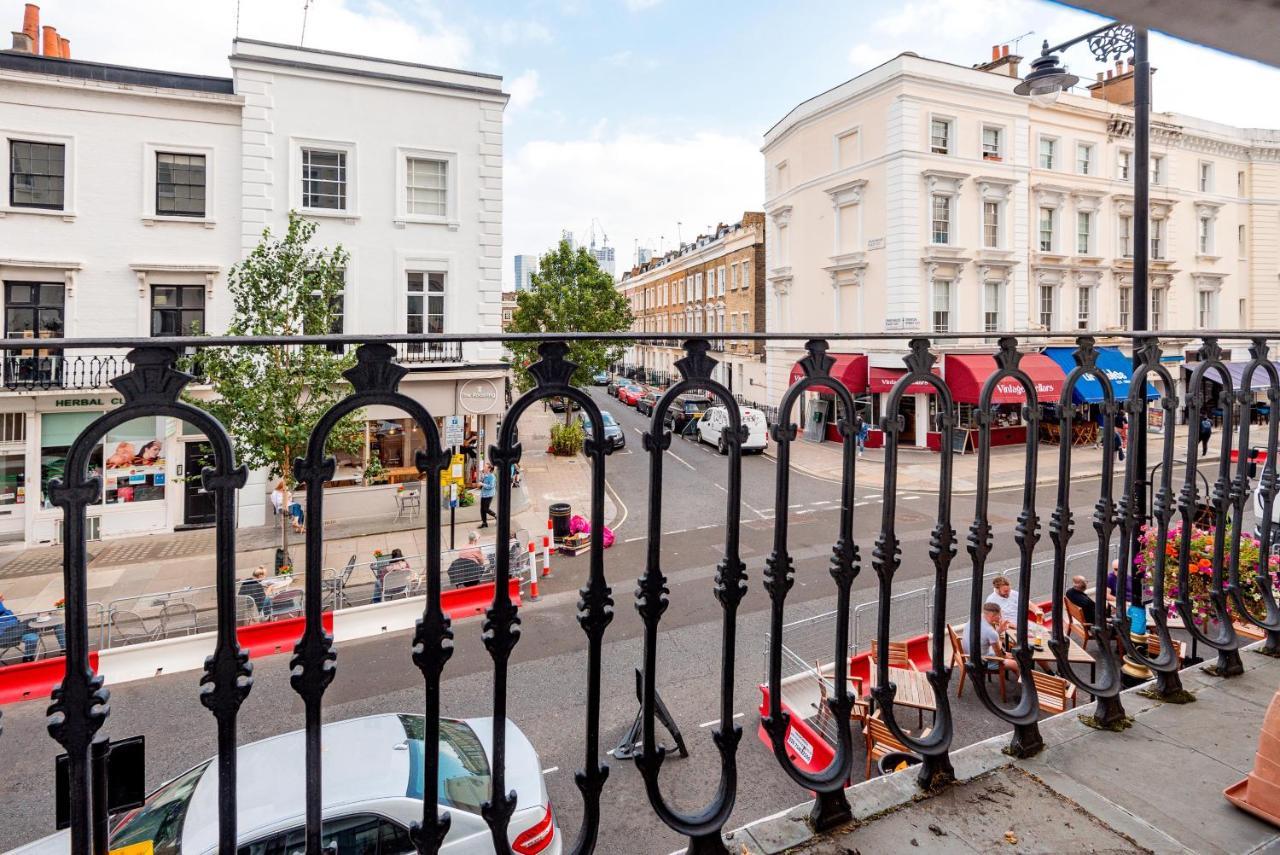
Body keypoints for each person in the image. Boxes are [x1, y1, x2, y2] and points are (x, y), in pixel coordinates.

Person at [963, 602, 1019, 683]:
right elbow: (1000, 655)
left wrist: (999, 630)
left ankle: (1019, 675)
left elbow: (985, 637)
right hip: (981, 662)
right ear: (992, 616)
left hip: (970, 655)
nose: (1000, 617)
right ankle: (1027, 687)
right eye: (999, 615)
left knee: (1012, 655)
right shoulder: (991, 632)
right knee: (1016, 663)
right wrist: (998, 637)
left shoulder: (975, 618)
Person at [0, 593, 39, 662]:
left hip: (17, 632)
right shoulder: (2, 610)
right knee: (30, 622)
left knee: (32, 637)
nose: (3, 599)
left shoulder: (6, 612)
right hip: (4, 638)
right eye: (0, 597)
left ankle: (28, 658)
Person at [479, 463, 496, 528]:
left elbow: (491, 486)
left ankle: (496, 516)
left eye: (485, 467)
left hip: (489, 495)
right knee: (482, 510)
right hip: (483, 494)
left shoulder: (492, 476)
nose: (484, 468)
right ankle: (484, 523)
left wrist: (482, 484)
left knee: (486, 509)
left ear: (489, 469)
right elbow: (483, 483)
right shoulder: (485, 475)